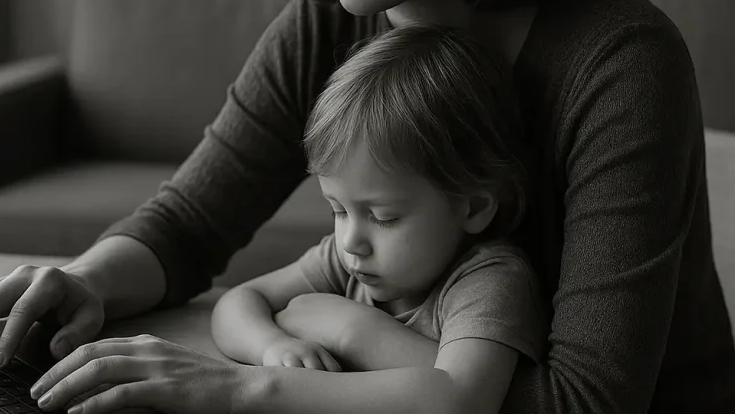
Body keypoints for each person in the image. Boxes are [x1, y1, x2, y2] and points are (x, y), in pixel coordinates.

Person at [0, 0, 735, 412]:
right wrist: (87, 279)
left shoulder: (620, 63)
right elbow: (191, 223)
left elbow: (585, 403)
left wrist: (270, 372)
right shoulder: (328, 21)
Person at [210, 24, 544, 413]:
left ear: (473, 208)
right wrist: (271, 345)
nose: (350, 240)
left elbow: (461, 399)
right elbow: (237, 303)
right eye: (337, 210)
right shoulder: (345, 260)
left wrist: (352, 330)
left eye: (382, 217)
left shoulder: (489, 281)